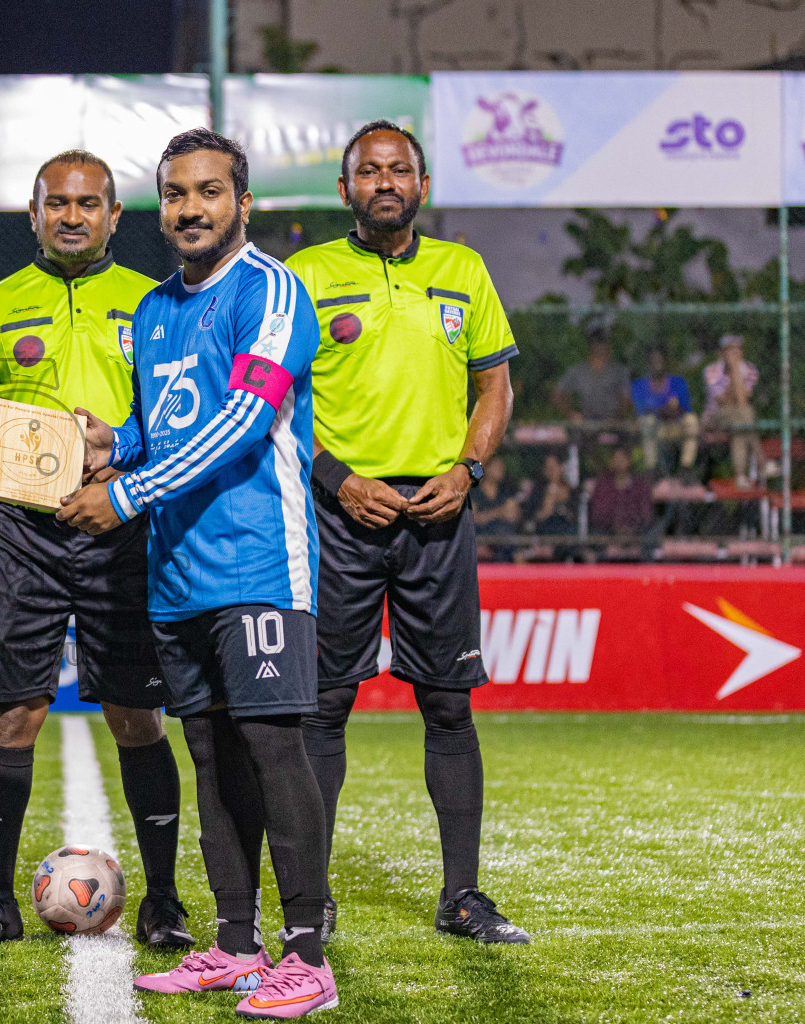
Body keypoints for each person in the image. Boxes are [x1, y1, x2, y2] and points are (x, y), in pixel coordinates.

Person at [60, 128, 339, 1018]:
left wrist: (128, 492)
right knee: (210, 750)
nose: (190, 208)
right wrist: (113, 443)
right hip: (178, 572)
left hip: (259, 561)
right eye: (175, 194)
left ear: (242, 203)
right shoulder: (152, 310)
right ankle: (233, 943)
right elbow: (166, 421)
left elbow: (246, 421)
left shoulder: (272, 290)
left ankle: (308, 954)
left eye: (209, 192)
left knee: (273, 746)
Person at [0, 151, 191, 951]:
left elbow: (178, 415)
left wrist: (120, 464)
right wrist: (20, 450)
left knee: (136, 716)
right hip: (24, 536)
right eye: (58, 204)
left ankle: (165, 901)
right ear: (34, 212)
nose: (72, 216)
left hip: (123, 527)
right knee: (14, 713)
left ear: (116, 216)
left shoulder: (155, 306)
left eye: (90, 204)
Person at [284, 120, 530, 946]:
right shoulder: (304, 276)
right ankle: (309, 900)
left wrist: (467, 472)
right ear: (344, 188)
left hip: (440, 513)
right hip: (337, 515)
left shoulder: (464, 271)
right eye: (368, 171)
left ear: (421, 186)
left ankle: (462, 898)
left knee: (450, 707)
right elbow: (269, 400)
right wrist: (338, 480)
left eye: (400, 170)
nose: (385, 182)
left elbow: (493, 385)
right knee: (322, 708)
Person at [703, 335, 763, 488]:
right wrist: (734, 374)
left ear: (741, 353)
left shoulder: (750, 370)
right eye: (728, 352)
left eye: (736, 352)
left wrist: (735, 370)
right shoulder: (711, 371)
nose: (732, 356)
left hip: (738, 418)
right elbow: (723, 402)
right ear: (722, 354)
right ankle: (761, 461)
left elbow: (741, 401)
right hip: (716, 416)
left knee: (739, 425)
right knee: (745, 414)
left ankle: (740, 476)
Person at [631, 348, 697, 477]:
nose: (657, 365)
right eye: (653, 361)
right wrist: (662, 410)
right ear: (647, 364)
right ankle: (651, 468)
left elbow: (686, 409)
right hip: (654, 430)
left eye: (660, 361)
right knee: (647, 421)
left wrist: (674, 410)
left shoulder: (678, 383)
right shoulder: (639, 385)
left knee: (691, 420)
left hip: (676, 428)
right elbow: (640, 411)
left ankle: (686, 467)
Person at [587, 449, 653, 559]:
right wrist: (616, 529)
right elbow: (598, 515)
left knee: (650, 537)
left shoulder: (640, 485)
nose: (619, 463)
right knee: (596, 536)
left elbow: (646, 514)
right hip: (609, 533)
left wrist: (631, 529)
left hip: (636, 533)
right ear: (611, 461)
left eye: (622, 459)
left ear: (629, 461)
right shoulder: (602, 485)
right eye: (616, 459)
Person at [553, 336, 632, 424]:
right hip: (585, 423)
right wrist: (570, 413)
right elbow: (557, 393)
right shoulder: (578, 371)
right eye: (597, 349)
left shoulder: (620, 371)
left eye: (604, 349)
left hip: (613, 423)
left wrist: (618, 417)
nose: (601, 352)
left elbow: (626, 398)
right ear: (590, 350)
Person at [471, 457, 523, 562]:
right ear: (487, 468)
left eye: (502, 467)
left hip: (504, 540)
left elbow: (514, 516)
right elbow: (473, 518)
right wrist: (499, 512)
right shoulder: (475, 491)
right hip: (481, 538)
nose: (501, 470)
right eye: (497, 467)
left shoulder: (506, 490)